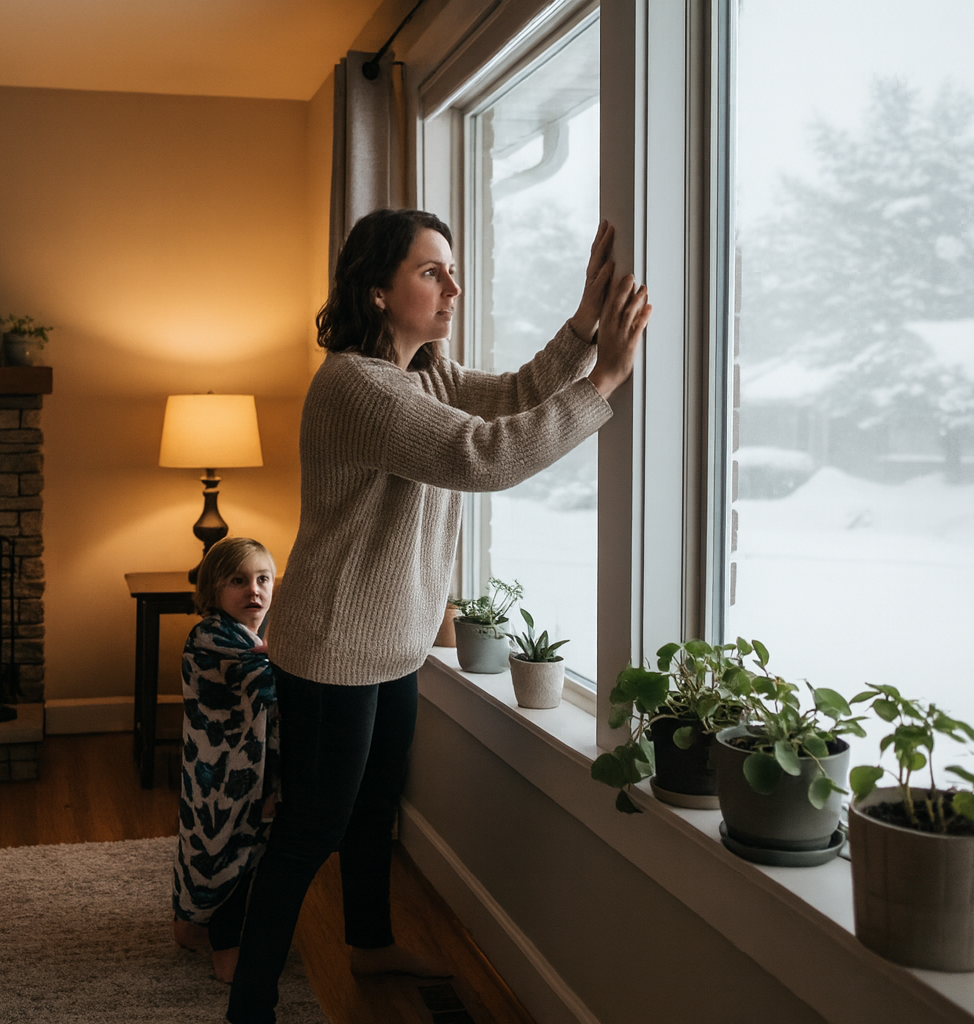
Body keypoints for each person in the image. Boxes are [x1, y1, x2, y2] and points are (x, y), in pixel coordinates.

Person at [225, 209, 652, 1023]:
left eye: (450, 271)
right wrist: (602, 381)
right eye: (431, 272)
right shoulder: (357, 385)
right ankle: (249, 1007)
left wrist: (582, 326)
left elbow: (512, 398)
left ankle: (370, 943)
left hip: (392, 644)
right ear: (378, 290)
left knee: (376, 807)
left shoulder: (424, 370)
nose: (452, 286)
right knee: (311, 829)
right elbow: (482, 455)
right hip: (331, 651)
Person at [172, 536, 281, 984]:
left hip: (225, 768)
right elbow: (266, 681)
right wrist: (286, 655)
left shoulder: (252, 634)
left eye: (263, 579)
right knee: (231, 851)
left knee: (210, 848)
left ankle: (188, 926)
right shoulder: (213, 637)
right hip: (223, 775)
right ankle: (227, 948)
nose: (253, 590)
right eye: (238, 581)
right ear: (214, 590)